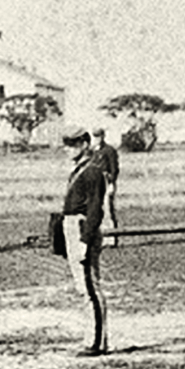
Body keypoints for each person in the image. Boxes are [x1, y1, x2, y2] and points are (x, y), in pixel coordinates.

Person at [62, 127, 108, 356]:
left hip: (82, 228)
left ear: (85, 144)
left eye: (73, 144)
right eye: (66, 144)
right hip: (73, 226)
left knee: (90, 287)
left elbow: (95, 210)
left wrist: (85, 241)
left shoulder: (92, 172)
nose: (67, 149)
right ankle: (93, 338)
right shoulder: (80, 169)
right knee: (84, 287)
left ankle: (96, 342)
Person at [90, 126, 120, 247]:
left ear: (103, 136)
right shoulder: (94, 151)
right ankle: (101, 238)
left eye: (99, 136)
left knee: (108, 209)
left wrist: (112, 183)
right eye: (95, 136)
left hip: (106, 181)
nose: (97, 138)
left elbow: (114, 168)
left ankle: (111, 238)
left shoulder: (109, 150)